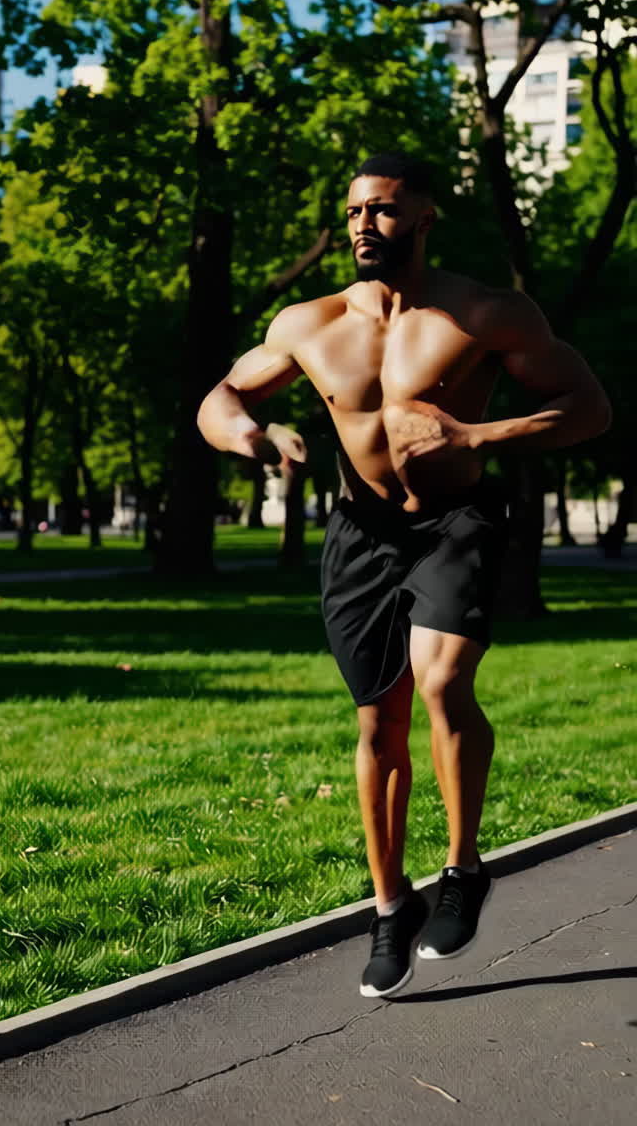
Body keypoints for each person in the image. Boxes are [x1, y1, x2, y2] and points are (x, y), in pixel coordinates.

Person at [197, 152, 611, 998]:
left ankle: (463, 870)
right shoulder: (309, 323)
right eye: (355, 211)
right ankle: (391, 907)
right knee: (378, 724)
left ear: (423, 219)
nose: (364, 225)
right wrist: (254, 438)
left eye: (383, 210)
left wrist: (476, 437)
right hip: (361, 533)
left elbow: (589, 407)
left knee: (442, 680)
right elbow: (222, 396)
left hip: (457, 520)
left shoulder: (485, 313)